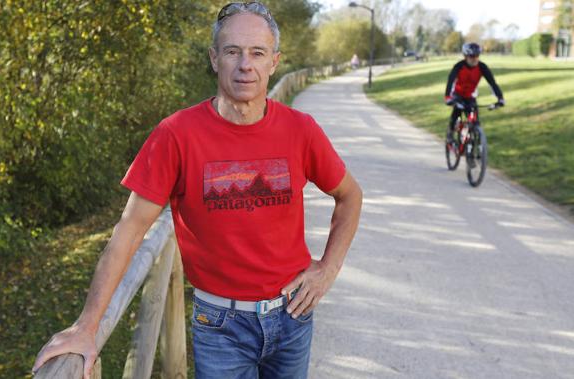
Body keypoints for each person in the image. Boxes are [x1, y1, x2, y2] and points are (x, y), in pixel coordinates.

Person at [32, 2, 363, 379]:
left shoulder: (301, 130)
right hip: (220, 325)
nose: (245, 64)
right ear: (214, 58)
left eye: (258, 52)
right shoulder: (175, 135)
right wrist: (86, 326)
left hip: (292, 315)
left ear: (274, 61)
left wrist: (328, 268)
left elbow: (350, 196)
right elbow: (128, 231)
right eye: (232, 51)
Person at [444, 42, 505, 142]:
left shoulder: (482, 67)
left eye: (477, 56)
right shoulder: (459, 66)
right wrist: (448, 98)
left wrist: (500, 98)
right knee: (456, 112)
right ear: (465, 56)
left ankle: (474, 148)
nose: (474, 59)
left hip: (470, 96)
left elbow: (492, 83)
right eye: (471, 56)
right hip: (457, 95)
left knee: (475, 121)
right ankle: (450, 133)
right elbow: (450, 81)